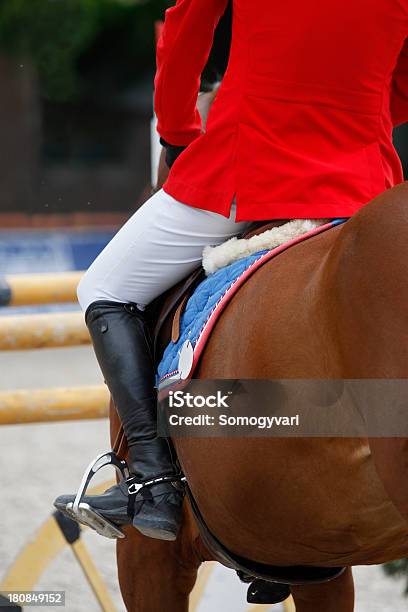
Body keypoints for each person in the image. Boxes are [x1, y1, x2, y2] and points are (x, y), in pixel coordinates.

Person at [54, 0, 408, 541]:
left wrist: (177, 132)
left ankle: (152, 478)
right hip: (363, 178)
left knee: (103, 287)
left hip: (251, 163)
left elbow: (185, 32)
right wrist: (354, 114)